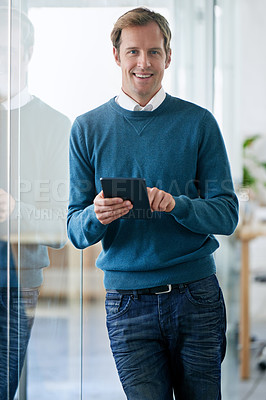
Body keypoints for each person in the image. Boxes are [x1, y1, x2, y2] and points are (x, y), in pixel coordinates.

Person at [67, 7, 238, 400]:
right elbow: (75, 229)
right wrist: (96, 216)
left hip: (197, 296)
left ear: (168, 56)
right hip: (127, 306)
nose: (144, 63)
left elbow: (227, 215)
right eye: (133, 52)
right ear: (116, 56)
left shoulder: (199, 123)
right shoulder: (87, 129)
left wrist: (177, 205)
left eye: (154, 52)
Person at [0, 7, 70, 399]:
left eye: (7, 50)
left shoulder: (55, 125)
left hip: (13, 285)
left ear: (27, 54)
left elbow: (61, 228)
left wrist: (16, 211)